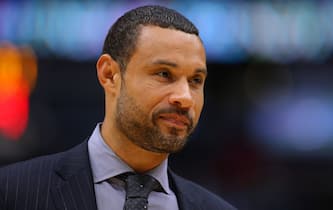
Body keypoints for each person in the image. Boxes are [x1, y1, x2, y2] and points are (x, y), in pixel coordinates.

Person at [0, 5, 236, 210]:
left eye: (195, 81)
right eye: (164, 74)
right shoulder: (13, 192)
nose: (185, 98)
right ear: (109, 74)